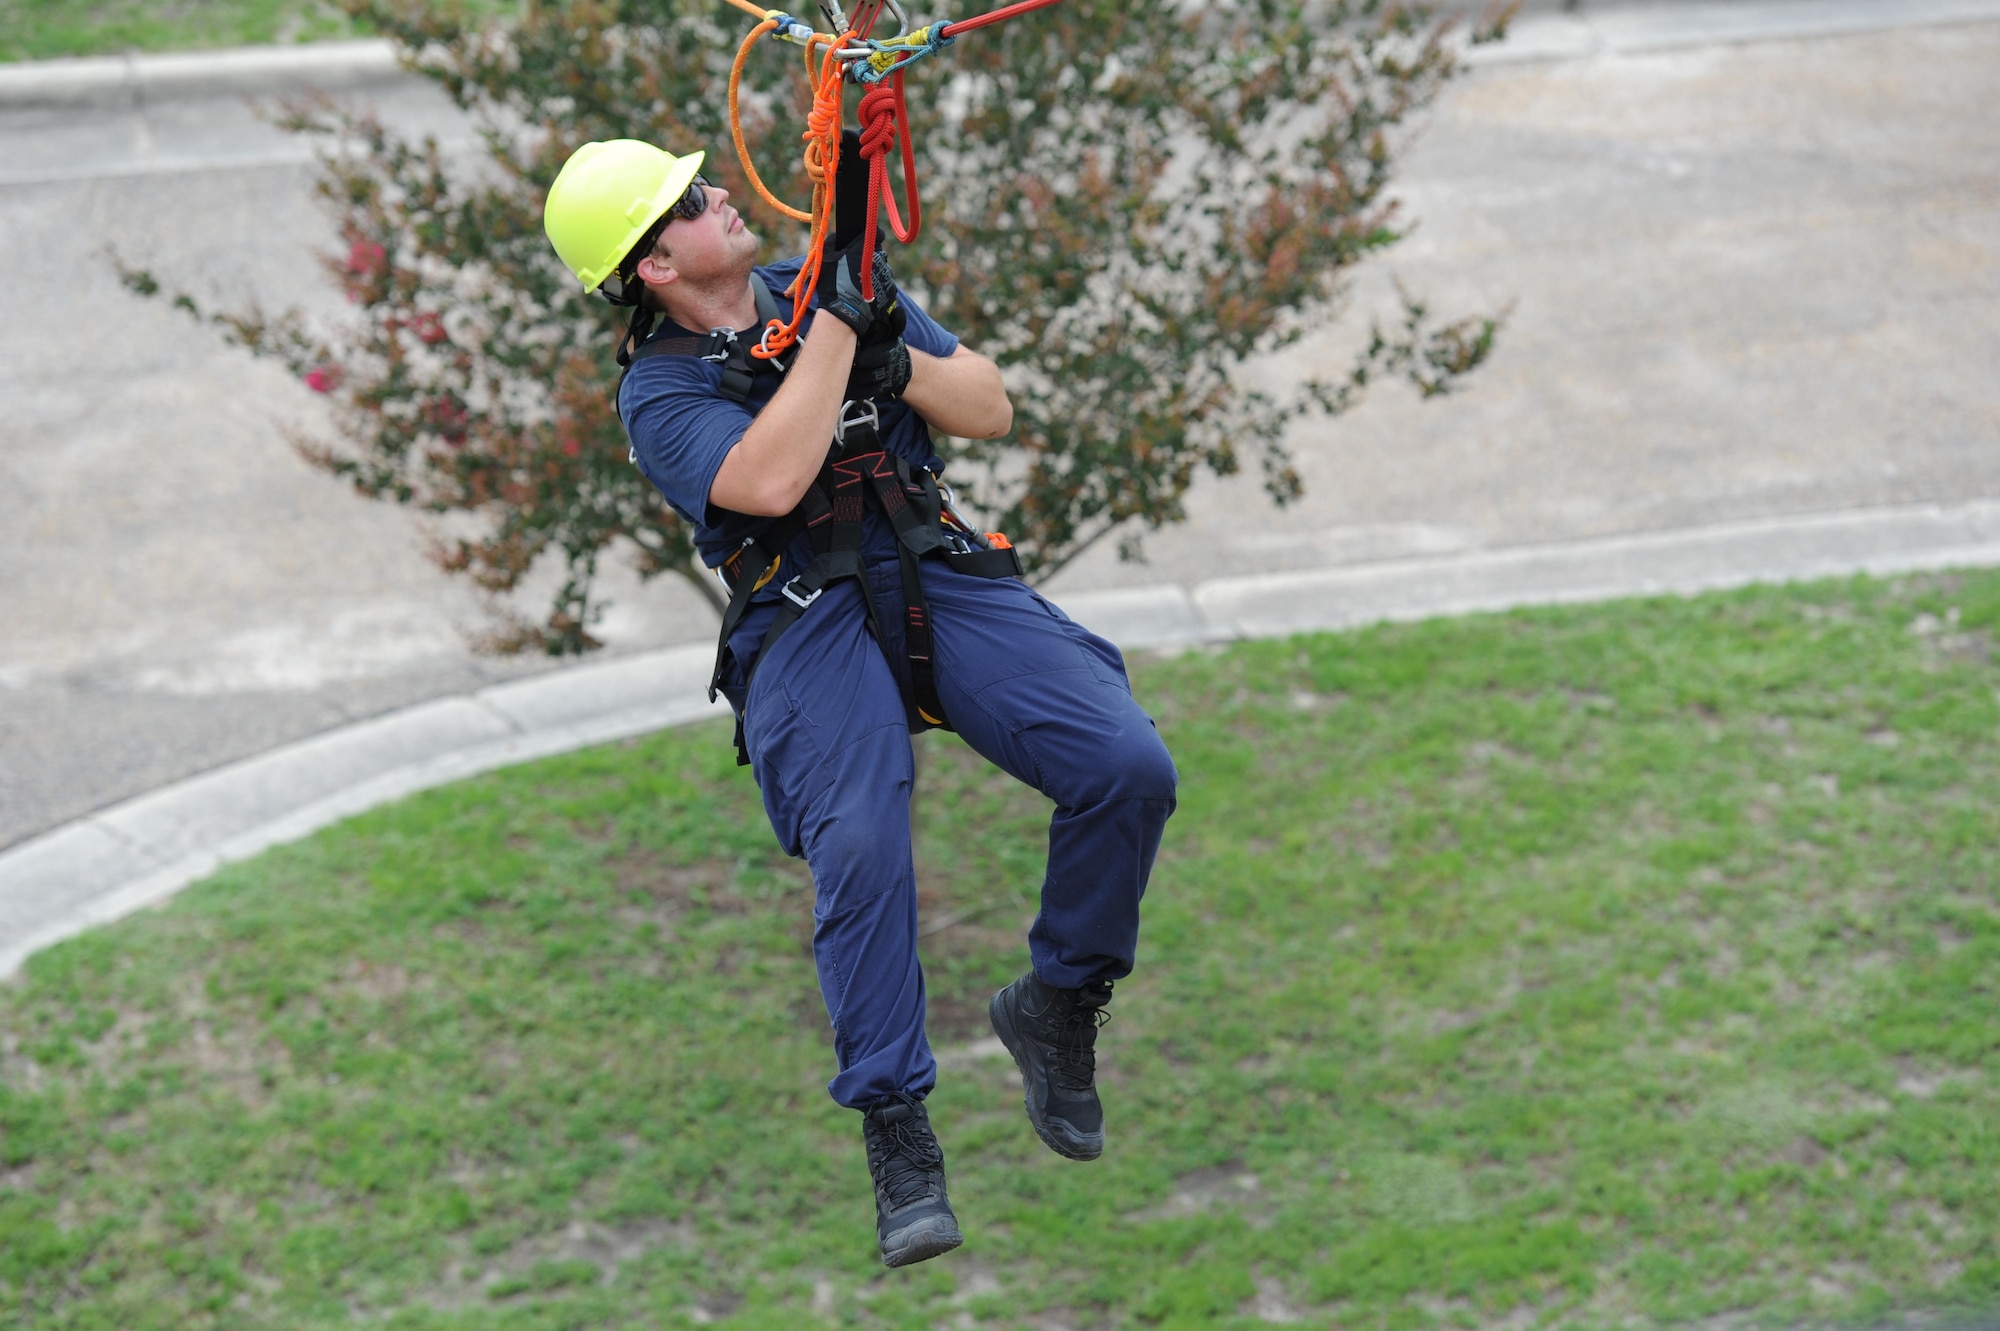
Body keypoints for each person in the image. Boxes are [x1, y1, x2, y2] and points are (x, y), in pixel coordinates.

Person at [542, 138, 1177, 1268]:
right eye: (691, 200)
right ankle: (897, 1124)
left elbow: (988, 406)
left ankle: (1060, 999)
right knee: (864, 844)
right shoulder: (662, 389)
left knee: (1125, 767)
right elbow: (769, 481)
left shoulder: (826, 290)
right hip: (803, 611)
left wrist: (883, 347)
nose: (721, 194)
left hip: (927, 560)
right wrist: (843, 320)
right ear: (654, 267)